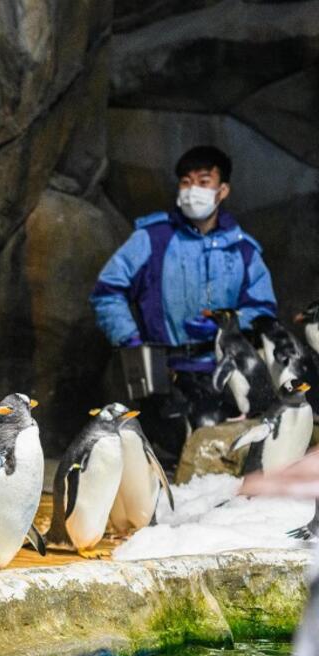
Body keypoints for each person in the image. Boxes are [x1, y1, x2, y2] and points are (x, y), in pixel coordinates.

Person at [90, 145, 278, 466]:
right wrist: (131, 341)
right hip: (164, 375)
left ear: (223, 190)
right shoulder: (153, 239)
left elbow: (262, 311)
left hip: (226, 373)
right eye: (186, 182)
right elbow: (107, 291)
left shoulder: (242, 250)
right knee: (161, 444)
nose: (194, 191)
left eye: (204, 182)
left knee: (221, 440)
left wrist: (227, 327)